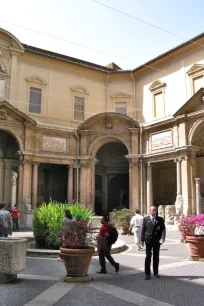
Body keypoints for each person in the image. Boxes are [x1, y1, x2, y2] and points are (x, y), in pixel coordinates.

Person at [141, 206, 166, 280]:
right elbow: (143, 229)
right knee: (148, 257)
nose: (154, 212)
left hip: (156, 240)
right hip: (148, 240)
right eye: (153, 210)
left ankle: (156, 273)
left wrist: (162, 238)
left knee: (156, 257)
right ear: (150, 211)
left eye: (155, 210)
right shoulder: (145, 219)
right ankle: (147, 274)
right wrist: (142, 240)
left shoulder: (160, 219)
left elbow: (163, 229)